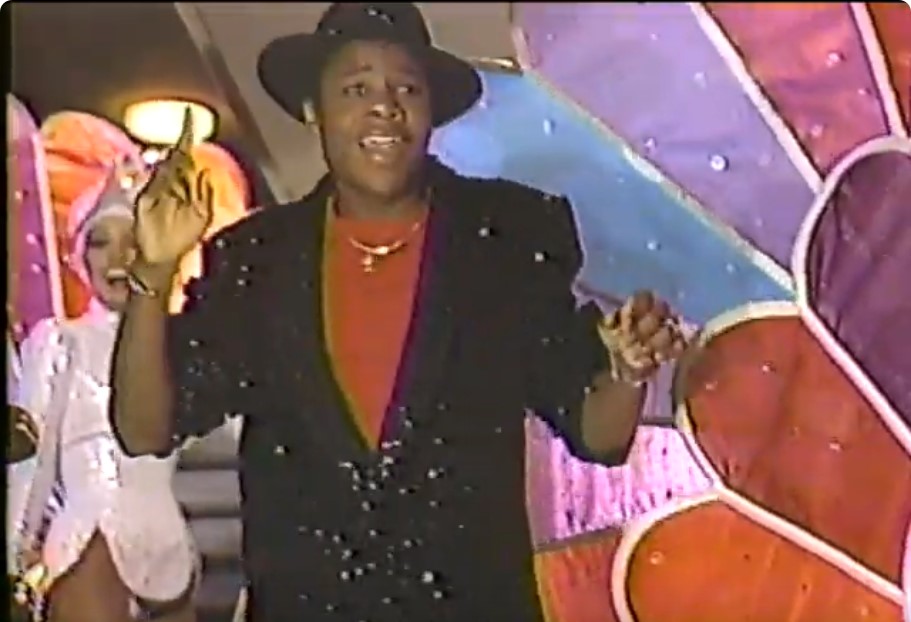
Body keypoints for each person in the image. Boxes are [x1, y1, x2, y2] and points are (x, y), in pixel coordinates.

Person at [110, 4, 687, 620]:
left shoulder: (508, 237)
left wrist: (627, 371)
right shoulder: (256, 260)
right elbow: (144, 430)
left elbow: (597, 434)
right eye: (356, 88)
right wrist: (154, 275)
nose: (384, 106)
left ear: (431, 111)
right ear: (313, 110)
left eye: (406, 89)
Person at [12, 165, 197, 622]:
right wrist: (16, 551)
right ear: (80, 256)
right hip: (87, 538)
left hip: (167, 547)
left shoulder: (184, 345)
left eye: (132, 240)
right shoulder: (60, 341)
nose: (118, 256)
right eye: (100, 241)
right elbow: (29, 460)